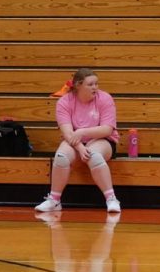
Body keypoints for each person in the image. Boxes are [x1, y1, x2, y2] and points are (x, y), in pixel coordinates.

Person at [34, 67, 122, 213]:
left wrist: (82, 132)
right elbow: (67, 132)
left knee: (94, 155)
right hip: (75, 141)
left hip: (102, 139)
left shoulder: (105, 98)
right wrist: (81, 148)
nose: (95, 87)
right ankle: (54, 200)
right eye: (90, 84)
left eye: (96, 84)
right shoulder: (64, 102)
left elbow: (107, 129)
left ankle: (111, 199)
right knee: (61, 157)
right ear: (78, 85)